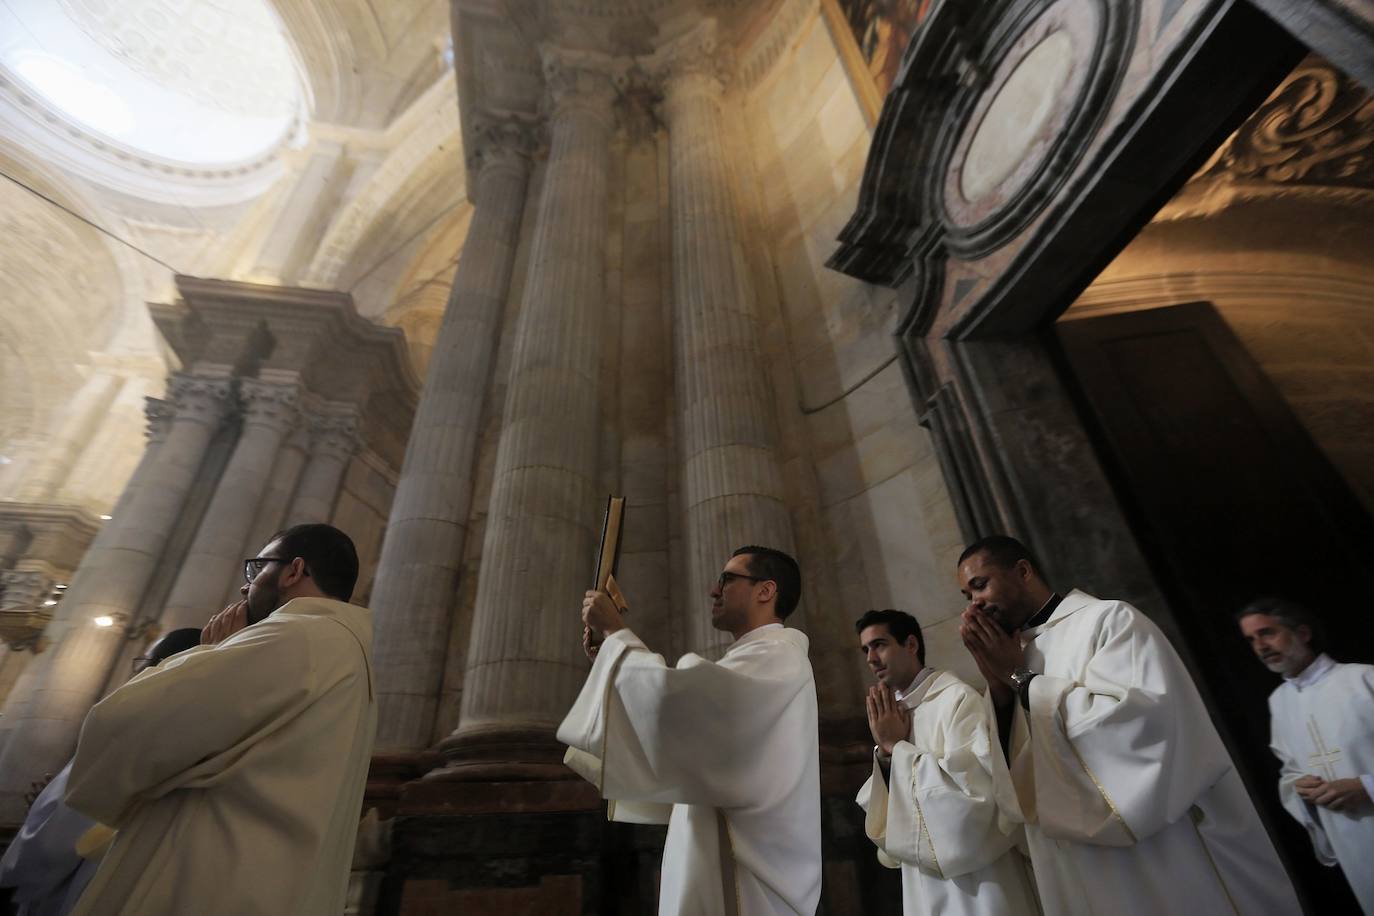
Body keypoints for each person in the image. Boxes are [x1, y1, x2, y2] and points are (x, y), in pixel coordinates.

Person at [956, 535, 1301, 916]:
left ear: (1022, 571)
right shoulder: (1014, 656)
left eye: (980, 585)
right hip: (1079, 862)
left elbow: (1139, 726)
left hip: (1158, 848)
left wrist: (1021, 680)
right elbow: (1014, 780)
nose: (975, 605)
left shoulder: (1109, 621)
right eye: (966, 596)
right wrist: (1000, 690)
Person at [63, 523, 375, 916]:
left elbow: (122, 724)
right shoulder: (342, 649)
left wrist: (211, 653)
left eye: (256, 569)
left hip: (205, 878)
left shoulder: (297, 636)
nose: (245, 587)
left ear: (293, 571)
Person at [557, 546, 821, 916]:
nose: (714, 590)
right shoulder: (756, 659)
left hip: (744, 877)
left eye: (728, 579)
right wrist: (615, 662)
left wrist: (617, 636)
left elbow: (677, 705)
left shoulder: (777, 657)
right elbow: (685, 721)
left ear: (766, 591)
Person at [0, 629, 201, 916]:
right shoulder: (209, 729)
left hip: (81, 883)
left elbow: (55, 836)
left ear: (161, 663)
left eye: (145, 660)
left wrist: (45, 811)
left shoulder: (133, 720)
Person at [854, 609, 1038, 916]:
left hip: (979, 881)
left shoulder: (956, 699)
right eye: (866, 650)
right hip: (922, 881)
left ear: (911, 644)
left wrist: (895, 747)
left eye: (880, 644)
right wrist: (886, 756)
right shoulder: (893, 714)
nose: (871, 658)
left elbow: (978, 797)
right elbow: (890, 818)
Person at [1238, 597, 1374, 912]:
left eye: (1267, 632)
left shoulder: (1364, 680)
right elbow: (1291, 772)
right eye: (1251, 640)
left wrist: (1366, 787)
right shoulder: (1279, 702)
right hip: (1352, 843)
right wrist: (1300, 790)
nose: (1260, 645)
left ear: (1302, 633)